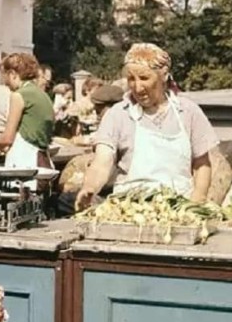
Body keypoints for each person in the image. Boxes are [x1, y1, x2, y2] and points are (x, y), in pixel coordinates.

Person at [77, 43, 219, 208]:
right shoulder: (118, 114)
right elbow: (102, 161)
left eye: (144, 78)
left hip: (179, 208)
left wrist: (196, 201)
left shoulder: (187, 112)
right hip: (129, 209)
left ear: (163, 76)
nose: (137, 87)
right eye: (131, 79)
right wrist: (89, 188)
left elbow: (202, 164)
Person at [0, 53, 55, 173]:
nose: (5, 83)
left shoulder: (19, 95)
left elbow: (7, 138)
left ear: (13, 74)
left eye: (5, 77)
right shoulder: (44, 96)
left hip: (24, 162)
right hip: (43, 160)